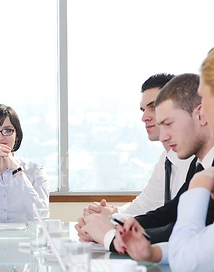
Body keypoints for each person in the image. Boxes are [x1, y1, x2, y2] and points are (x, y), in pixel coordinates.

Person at [80, 73, 214, 249]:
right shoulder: (200, 167)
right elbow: (169, 214)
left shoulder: (199, 165)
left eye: (169, 123)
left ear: (201, 114)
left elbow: (186, 233)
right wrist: (114, 226)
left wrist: (112, 237)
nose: (164, 136)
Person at [114, 49, 214, 272]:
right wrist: (152, 252)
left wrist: (199, 186)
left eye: (206, 101)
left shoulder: (201, 173)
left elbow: (188, 260)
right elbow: (203, 244)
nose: (203, 113)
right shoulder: (198, 167)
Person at [80, 74, 193, 218]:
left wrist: (112, 223)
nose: (144, 117)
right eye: (143, 109)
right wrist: (111, 214)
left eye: (153, 107)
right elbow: (145, 205)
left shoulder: (196, 161)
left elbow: (173, 219)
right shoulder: (167, 159)